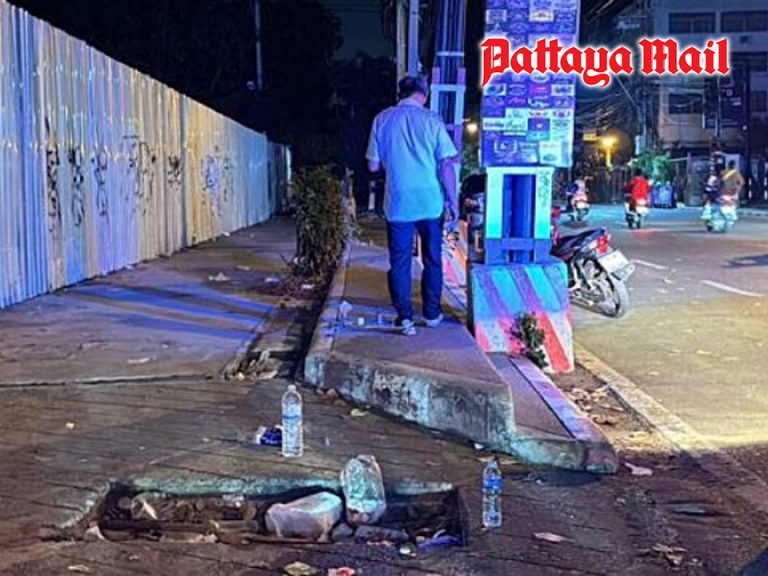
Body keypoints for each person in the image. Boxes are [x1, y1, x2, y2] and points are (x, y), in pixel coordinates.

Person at [366, 75, 458, 336]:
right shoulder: (432, 120)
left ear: (400, 94)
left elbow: (372, 165)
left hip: (398, 203)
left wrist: (393, 161)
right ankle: (431, 314)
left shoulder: (382, 119)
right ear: (424, 95)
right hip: (430, 202)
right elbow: (446, 164)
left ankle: (404, 317)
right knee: (432, 259)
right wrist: (453, 201)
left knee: (400, 263)